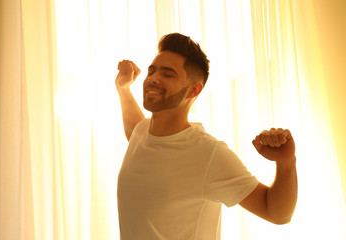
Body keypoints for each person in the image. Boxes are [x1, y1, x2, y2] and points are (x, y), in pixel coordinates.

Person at [115, 33, 297, 239]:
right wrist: (123, 89)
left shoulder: (208, 154)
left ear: (194, 90)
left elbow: (277, 214)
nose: (153, 78)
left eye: (167, 74)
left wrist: (286, 163)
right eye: (151, 71)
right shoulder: (142, 133)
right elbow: (135, 130)